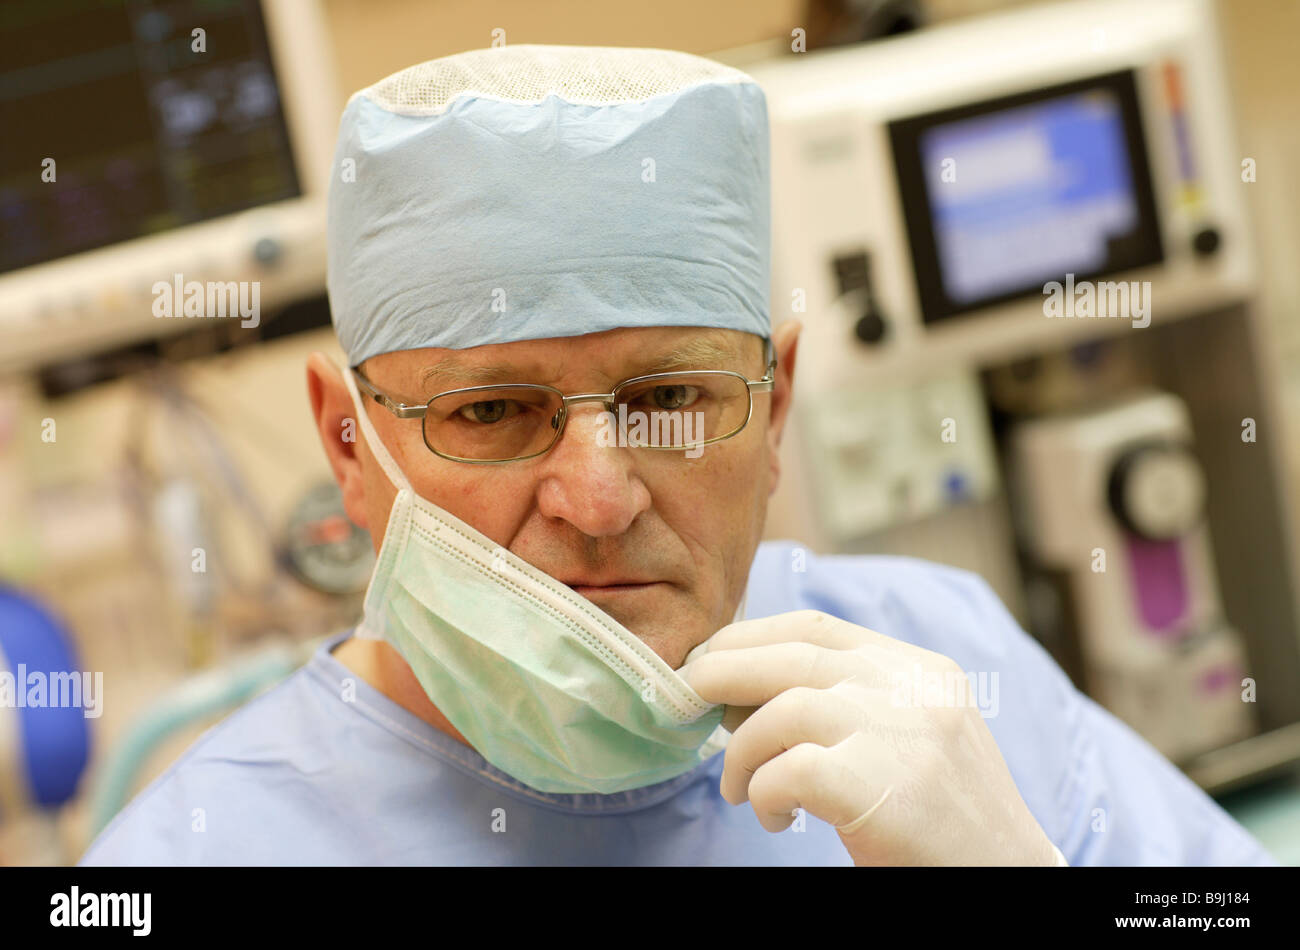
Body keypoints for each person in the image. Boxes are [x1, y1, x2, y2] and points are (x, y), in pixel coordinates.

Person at [81, 44, 1272, 866]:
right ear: (349, 443)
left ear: (777, 403)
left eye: (670, 395)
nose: (599, 495)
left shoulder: (933, 658)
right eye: (491, 411)